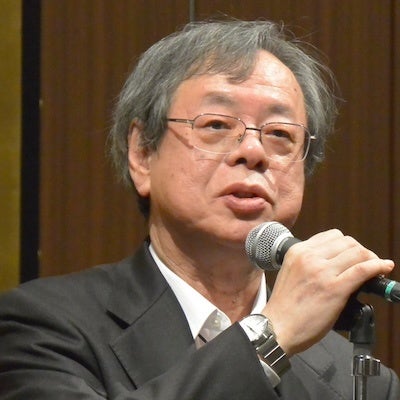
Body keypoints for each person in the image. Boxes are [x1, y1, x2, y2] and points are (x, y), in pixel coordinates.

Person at [0, 19, 398, 399]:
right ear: (142, 153)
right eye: (217, 125)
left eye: (280, 134)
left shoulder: (361, 381)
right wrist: (268, 338)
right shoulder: (43, 327)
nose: (253, 151)